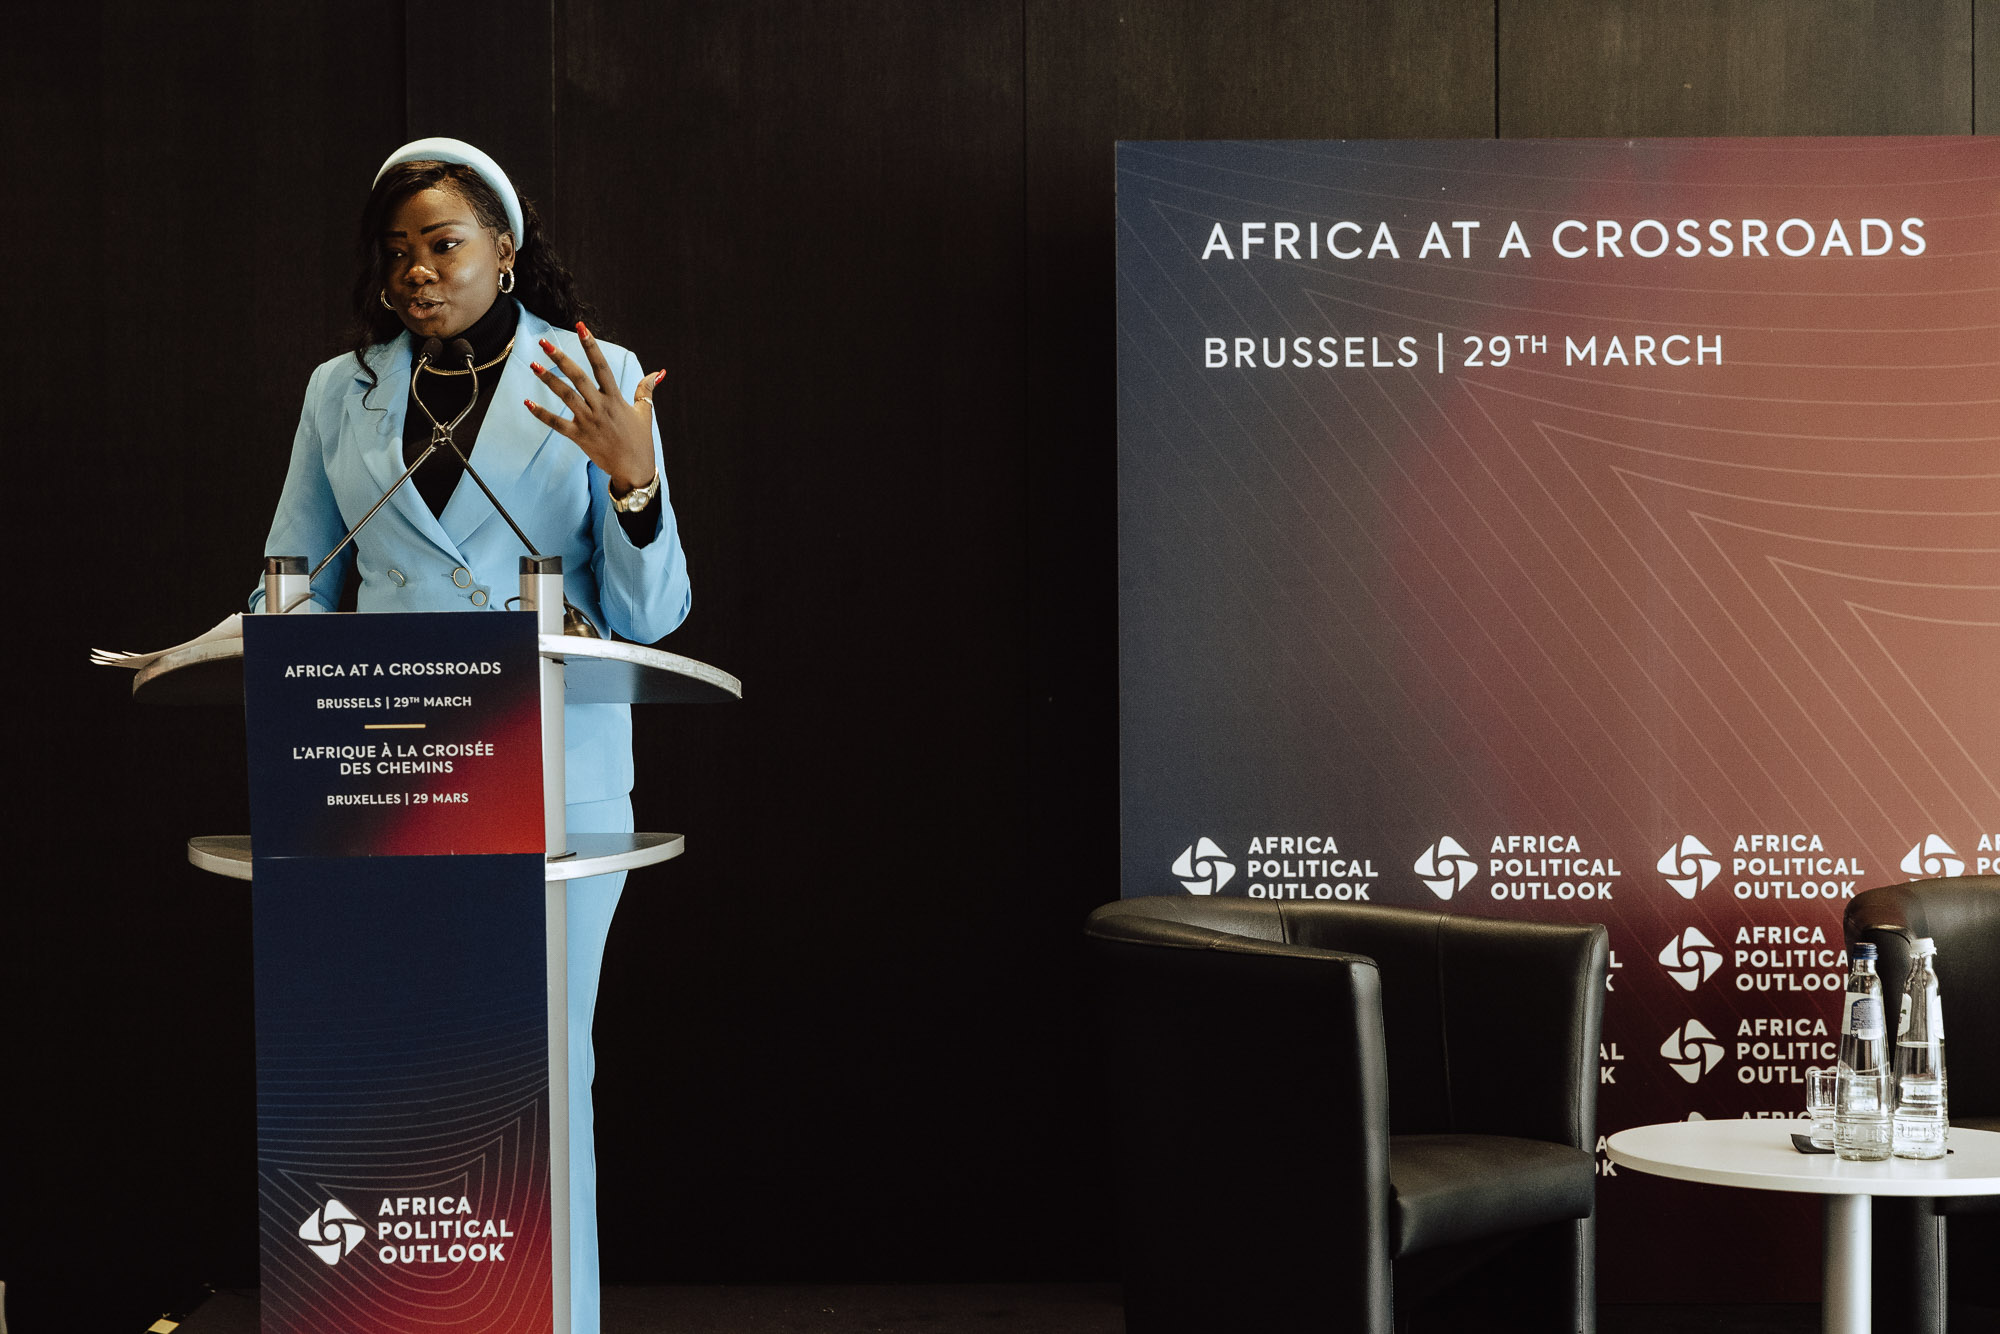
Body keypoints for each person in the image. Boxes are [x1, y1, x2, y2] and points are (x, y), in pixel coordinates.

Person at [249, 137, 690, 1334]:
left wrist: (635, 483)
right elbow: (293, 577)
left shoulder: (595, 375)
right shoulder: (341, 389)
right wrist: (238, 645)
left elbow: (652, 612)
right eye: (395, 252)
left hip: (550, 769)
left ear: (503, 247)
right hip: (381, 766)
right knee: (396, 1062)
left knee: (539, 1067)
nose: (416, 270)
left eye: (441, 244)